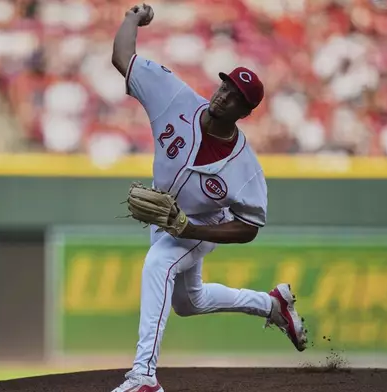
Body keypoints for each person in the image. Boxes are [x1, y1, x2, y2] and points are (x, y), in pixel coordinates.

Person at [110, 4, 308, 392]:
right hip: (165, 220)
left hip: (201, 226)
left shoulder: (244, 167)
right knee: (188, 302)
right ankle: (272, 306)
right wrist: (132, 18)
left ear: (246, 111)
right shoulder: (174, 99)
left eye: (235, 97)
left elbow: (249, 227)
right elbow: (122, 58)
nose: (223, 96)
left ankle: (144, 377)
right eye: (225, 87)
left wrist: (192, 228)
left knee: (159, 264)